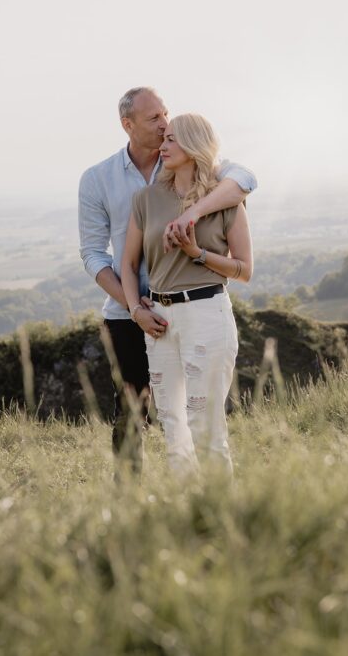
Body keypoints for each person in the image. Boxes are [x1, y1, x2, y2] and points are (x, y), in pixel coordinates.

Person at [78, 88, 256, 477]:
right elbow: (94, 255)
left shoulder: (198, 169)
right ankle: (129, 503)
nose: (163, 126)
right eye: (154, 119)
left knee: (198, 416)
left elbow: (246, 179)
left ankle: (209, 503)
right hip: (131, 311)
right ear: (128, 125)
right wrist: (135, 306)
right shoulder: (99, 180)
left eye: (166, 117)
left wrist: (191, 217)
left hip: (194, 307)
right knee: (132, 411)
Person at [120, 113, 253, 477]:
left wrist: (198, 254)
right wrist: (135, 309)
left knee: (204, 424)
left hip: (206, 314)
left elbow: (244, 270)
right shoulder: (146, 199)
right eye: (164, 139)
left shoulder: (226, 200)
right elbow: (128, 265)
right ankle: (188, 513)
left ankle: (218, 512)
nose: (163, 145)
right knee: (171, 423)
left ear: (194, 146)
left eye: (173, 140)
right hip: (160, 320)